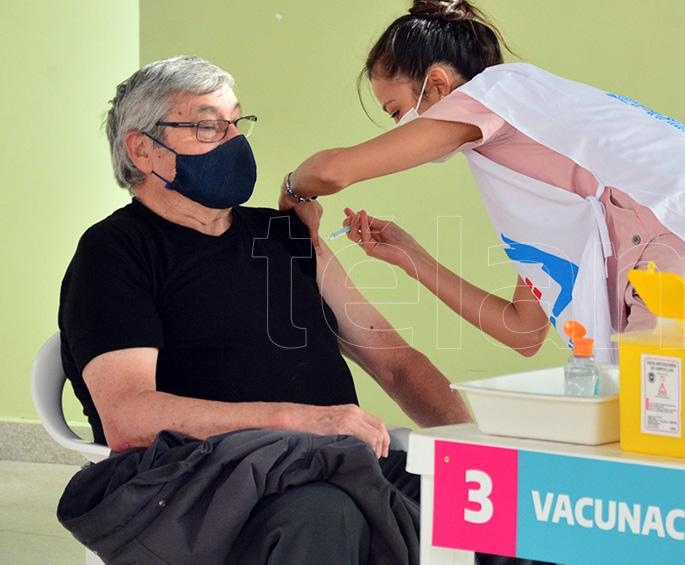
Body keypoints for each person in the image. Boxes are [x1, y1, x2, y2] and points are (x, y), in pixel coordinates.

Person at [58, 54, 475, 564]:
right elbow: (128, 416)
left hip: (329, 466)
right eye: (210, 127)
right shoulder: (113, 252)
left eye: (237, 122)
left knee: (497, 507)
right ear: (143, 149)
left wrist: (479, 447)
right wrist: (298, 421)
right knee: (324, 514)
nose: (235, 141)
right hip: (200, 485)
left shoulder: (284, 233)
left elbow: (394, 362)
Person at [282, 0, 685, 363]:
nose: (398, 130)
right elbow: (523, 331)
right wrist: (410, 256)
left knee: (662, 467)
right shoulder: (537, 153)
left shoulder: (499, 94)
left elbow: (335, 170)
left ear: (437, 85)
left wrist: (293, 190)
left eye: (396, 111)